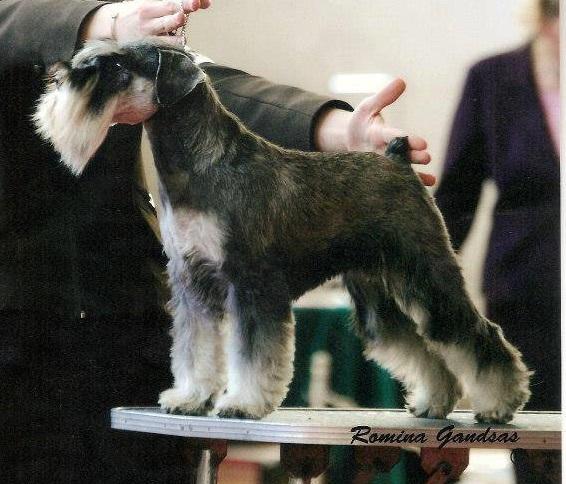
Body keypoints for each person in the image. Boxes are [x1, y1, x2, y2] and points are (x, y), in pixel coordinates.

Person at [0, 1, 432, 482]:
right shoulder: (105, 17)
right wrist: (106, 24)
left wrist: (335, 129)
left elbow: (202, 86)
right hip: (17, 335)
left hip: (130, 321)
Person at [434, 1, 559, 481]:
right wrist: (426, 276)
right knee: (537, 441)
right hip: (525, 281)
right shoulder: (492, 78)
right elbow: (458, 192)